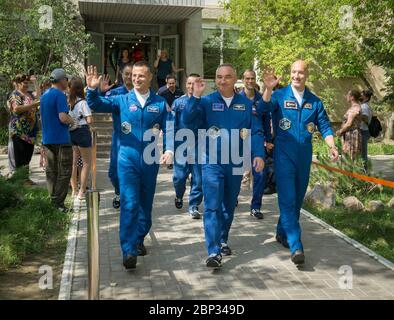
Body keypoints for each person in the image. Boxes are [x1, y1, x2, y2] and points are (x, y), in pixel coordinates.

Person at [85, 61, 174, 270]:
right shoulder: (122, 100)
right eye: (134, 75)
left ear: (150, 77)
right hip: (128, 160)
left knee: (145, 205)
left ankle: (138, 237)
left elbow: (169, 128)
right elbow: (97, 104)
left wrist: (169, 150)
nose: (136, 79)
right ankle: (128, 250)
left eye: (141, 76)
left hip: (150, 161)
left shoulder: (160, 103)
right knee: (129, 203)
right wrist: (91, 89)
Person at [182, 63, 265, 268]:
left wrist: (259, 155)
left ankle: (222, 239)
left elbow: (255, 131)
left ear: (234, 79)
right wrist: (194, 98)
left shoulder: (245, 104)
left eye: (227, 77)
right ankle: (213, 251)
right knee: (212, 206)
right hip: (211, 161)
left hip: (235, 161)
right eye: (219, 77)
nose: (222, 81)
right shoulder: (206, 102)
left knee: (228, 204)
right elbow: (188, 121)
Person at [259, 60, 338, 265]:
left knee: (297, 199)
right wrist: (268, 89)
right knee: (287, 199)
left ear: (306, 74)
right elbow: (262, 108)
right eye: (293, 72)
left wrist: (332, 146)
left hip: (304, 156)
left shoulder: (314, 101)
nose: (296, 76)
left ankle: (281, 233)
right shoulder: (278, 96)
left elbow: (325, 126)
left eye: (300, 72)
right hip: (284, 155)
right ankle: (296, 245)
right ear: (290, 74)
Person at [40, 68, 75, 213]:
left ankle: (53, 200)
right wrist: (73, 121)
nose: (67, 82)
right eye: (66, 79)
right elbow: (62, 117)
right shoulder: (60, 95)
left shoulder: (44, 95)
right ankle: (58, 203)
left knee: (51, 171)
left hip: (48, 139)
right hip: (61, 140)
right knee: (65, 171)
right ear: (61, 80)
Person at [98, 65, 134, 209]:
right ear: (121, 74)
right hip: (119, 139)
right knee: (113, 172)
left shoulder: (142, 94)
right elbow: (98, 104)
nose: (129, 77)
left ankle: (130, 197)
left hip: (137, 140)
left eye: (132, 74)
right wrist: (100, 92)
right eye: (126, 74)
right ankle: (118, 192)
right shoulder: (116, 93)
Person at [240, 69, 273, 220]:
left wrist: (268, 140)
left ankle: (256, 206)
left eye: (252, 78)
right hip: (239, 138)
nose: (250, 81)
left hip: (257, 138)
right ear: (243, 80)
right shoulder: (236, 98)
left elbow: (266, 120)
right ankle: (232, 198)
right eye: (247, 79)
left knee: (260, 173)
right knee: (234, 172)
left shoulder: (262, 99)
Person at [172, 73, 203, 219]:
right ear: (186, 84)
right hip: (181, 145)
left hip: (199, 144)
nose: (192, 86)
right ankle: (179, 195)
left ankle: (194, 205)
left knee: (198, 177)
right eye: (189, 83)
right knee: (179, 177)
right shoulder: (178, 103)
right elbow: (171, 124)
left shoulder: (204, 102)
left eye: (195, 83)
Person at [8, 74, 40, 179]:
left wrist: (35, 82)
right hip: (19, 131)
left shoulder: (29, 94)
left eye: (27, 83)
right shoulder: (15, 95)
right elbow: (17, 109)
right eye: (24, 83)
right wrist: (34, 105)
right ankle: (20, 181)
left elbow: (39, 98)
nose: (26, 85)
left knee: (28, 157)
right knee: (20, 158)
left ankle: (25, 179)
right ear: (18, 84)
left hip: (30, 132)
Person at [68, 78, 93, 200]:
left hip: (72, 133)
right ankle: (82, 191)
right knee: (86, 162)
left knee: (74, 163)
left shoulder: (70, 103)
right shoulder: (83, 102)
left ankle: (74, 190)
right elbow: (89, 120)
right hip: (82, 132)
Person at [336, 90, 363, 161]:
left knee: (350, 158)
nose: (346, 96)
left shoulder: (355, 108)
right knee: (349, 157)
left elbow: (348, 123)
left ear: (352, 97)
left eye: (348, 95)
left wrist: (340, 131)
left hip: (352, 135)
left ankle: (350, 172)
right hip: (349, 134)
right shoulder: (355, 107)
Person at [360, 90, 373, 170]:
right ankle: (363, 172)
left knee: (362, 154)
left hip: (363, 131)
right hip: (364, 131)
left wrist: (355, 115)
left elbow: (366, 118)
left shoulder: (364, 106)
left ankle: (364, 173)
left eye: (362, 95)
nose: (360, 96)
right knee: (362, 153)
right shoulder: (365, 105)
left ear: (366, 97)